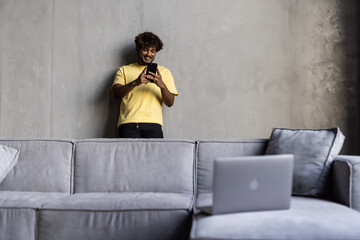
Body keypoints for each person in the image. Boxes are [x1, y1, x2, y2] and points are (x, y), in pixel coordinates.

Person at [112, 32, 178, 138]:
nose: (149, 54)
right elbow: (116, 93)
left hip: (154, 124)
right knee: (128, 155)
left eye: (153, 51)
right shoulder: (124, 70)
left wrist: (162, 85)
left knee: (155, 155)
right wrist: (135, 82)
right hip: (129, 124)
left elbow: (170, 102)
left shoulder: (164, 72)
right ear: (138, 49)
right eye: (145, 49)